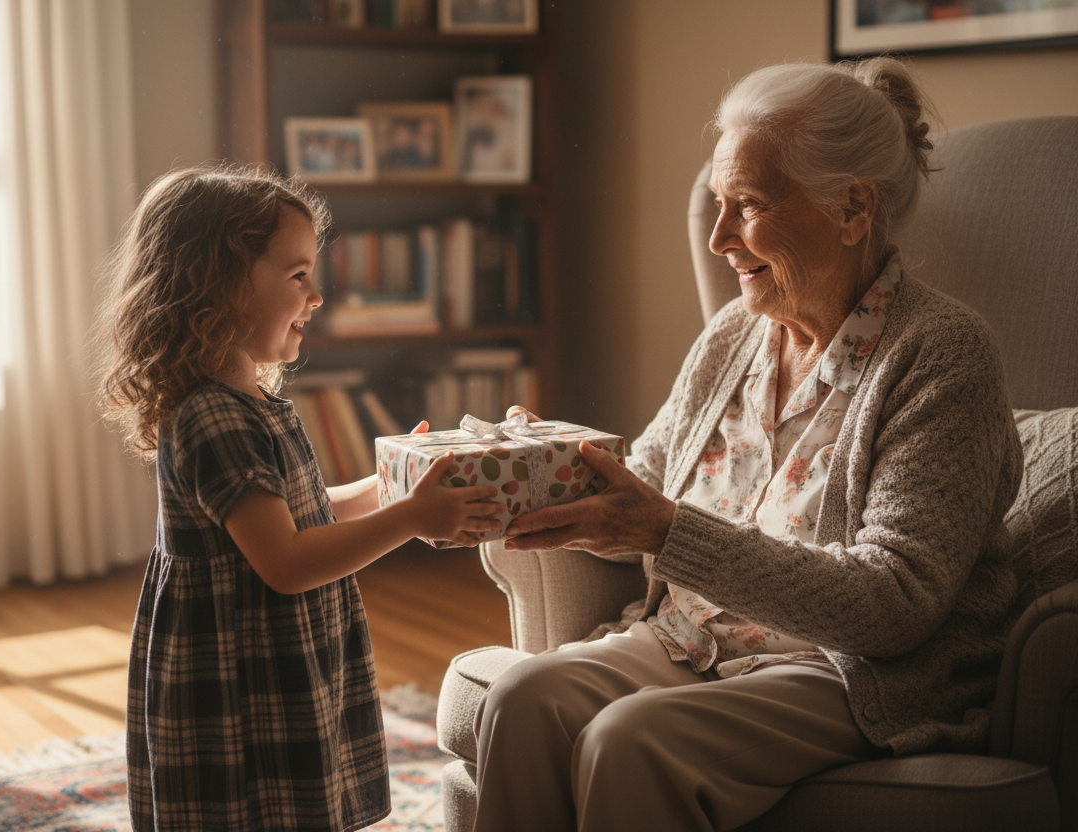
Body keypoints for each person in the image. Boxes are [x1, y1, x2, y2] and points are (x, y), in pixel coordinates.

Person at [471, 57, 1024, 832]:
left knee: (631, 742)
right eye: (719, 204)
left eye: (750, 205)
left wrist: (667, 532)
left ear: (852, 208)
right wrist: (535, 466)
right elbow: (645, 482)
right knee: (522, 698)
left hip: (846, 671)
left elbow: (897, 604)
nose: (720, 238)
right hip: (692, 640)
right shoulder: (736, 332)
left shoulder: (942, 352)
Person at [97, 165, 504, 831]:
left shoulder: (247, 402)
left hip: (272, 650)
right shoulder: (214, 416)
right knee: (249, 806)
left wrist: (388, 488)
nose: (315, 296)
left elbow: (302, 514)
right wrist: (411, 518)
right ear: (222, 285)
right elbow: (286, 561)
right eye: (297, 276)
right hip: (239, 669)